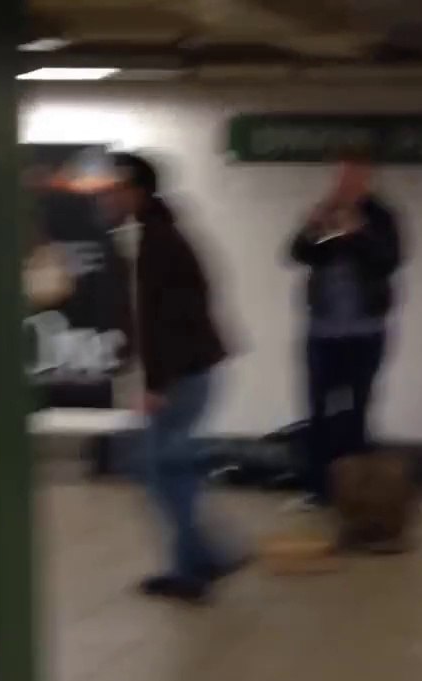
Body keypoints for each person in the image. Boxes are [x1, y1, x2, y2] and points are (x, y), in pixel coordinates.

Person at [107, 151, 238, 604]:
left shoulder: (158, 240)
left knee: (161, 467)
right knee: (162, 466)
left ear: (135, 190)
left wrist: (158, 386)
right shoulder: (154, 233)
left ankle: (196, 567)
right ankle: (206, 556)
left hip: (186, 375)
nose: (107, 198)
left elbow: (172, 317)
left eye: (114, 189)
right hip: (191, 371)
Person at [287, 155, 404, 510]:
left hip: (365, 331)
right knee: (318, 411)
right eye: (341, 178)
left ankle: (355, 492)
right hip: (322, 331)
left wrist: (359, 233)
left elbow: (390, 261)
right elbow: (296, 254)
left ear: (368, 181)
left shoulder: (383, 218)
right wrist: (310, 228)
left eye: (354, 178)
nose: (345, 185)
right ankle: (318, 490)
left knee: (356, 411)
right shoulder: (326, 210)